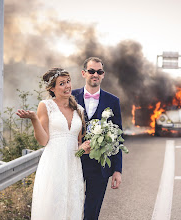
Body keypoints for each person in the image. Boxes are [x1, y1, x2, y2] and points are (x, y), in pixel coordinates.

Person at [16, 68, 90, 220]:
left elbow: (79, 144)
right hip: (54, 164)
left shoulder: (79, 110)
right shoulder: (46, 106)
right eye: (61, 83)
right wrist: (34, 119)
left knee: (72, 205)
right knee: (52, 205)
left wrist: (85, 148)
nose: (67, 86)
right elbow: (44, 140)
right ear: (52, 88)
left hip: (73, 166)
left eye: (68, 82)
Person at [72, 57, 123, 220]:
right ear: (83, 73)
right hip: (75, 161)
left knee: (92, 211)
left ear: (103, 75)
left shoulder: (113, 101)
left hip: (100, 165)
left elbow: (118, 137)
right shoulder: (70, 97)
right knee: (72, 205)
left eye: (99, 72)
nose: (95, 74)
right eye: (91, 71)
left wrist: (117, 170)